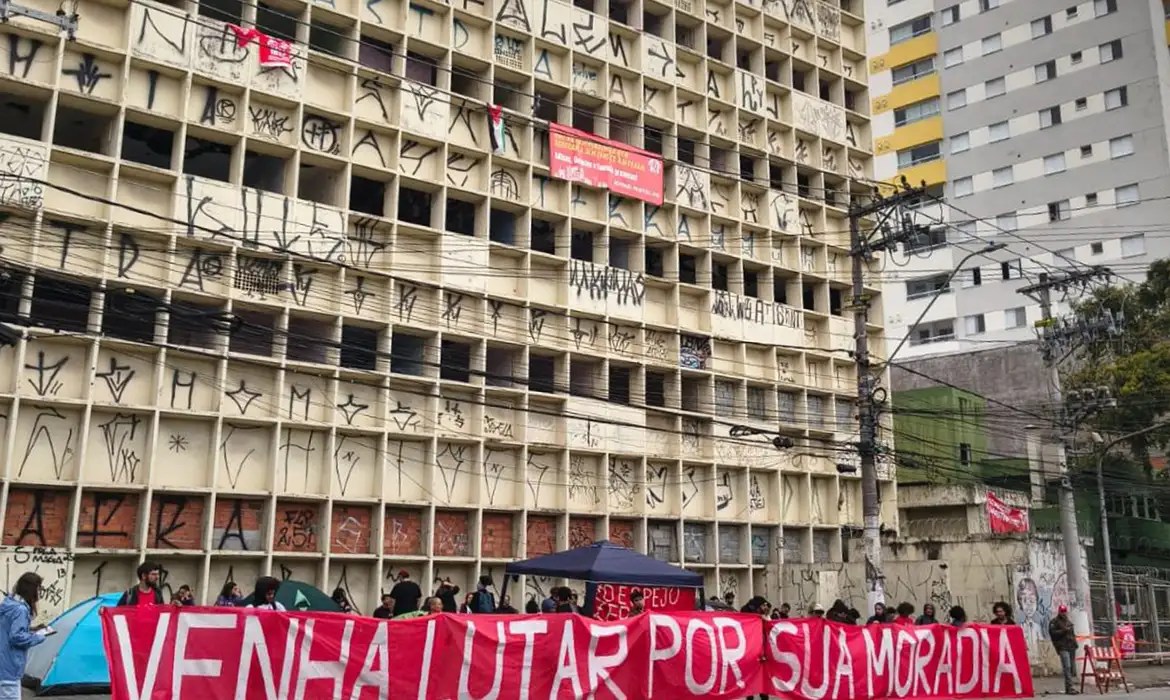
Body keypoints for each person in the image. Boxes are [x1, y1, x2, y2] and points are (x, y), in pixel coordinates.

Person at [0, 573, 48, 700]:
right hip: (10, 668)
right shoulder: (20, 609)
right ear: (31, 589)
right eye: (39, 588)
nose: (39, 593)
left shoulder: (8, 603)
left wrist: (31, 629)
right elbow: (16, 637)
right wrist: (38, 636)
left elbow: (8, 629)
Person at [1048, 604, 1078, 694]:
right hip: (1062, 647)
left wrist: (1075, 643)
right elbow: (1053, 634)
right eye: (1062, 611)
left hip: (1071, 646)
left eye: (1065, 611)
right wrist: (1064, 631)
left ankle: (1069, 687)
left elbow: (1072, 634)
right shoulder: (1054, 622)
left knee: (1071, 668)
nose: (1063, 613)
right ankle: (1070, 687)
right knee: (1067, 666)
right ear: (1059, 612)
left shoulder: (1068, 621)